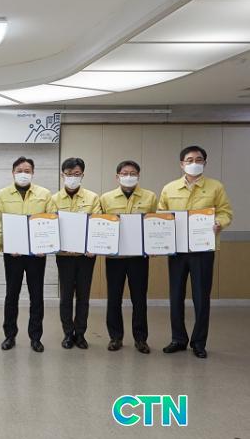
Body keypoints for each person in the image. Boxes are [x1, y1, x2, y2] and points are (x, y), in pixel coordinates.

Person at [158, 145, 232, 358]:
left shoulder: (215, 187)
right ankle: (178, 339)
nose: (194, 163)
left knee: (201, 297)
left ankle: (199, 342)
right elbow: (161, 214)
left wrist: (219, 223)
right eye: (189, 160)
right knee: (176, 296)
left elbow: (226, 212)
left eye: (198, 160)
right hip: (177, 250)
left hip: (203, 250)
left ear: (205, 163)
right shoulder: (169, 188)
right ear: (182, 164)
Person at [0, 157, 51, 353]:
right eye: (19, 170)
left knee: (37, 296)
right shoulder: (2, 194)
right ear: (13, 173)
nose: (23, 174)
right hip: (13, 254)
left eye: (27, 171)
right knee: (12, 295)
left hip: (37, 254)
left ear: (33, 173)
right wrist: (6, 245)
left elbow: (50, 222)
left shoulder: (44, 194)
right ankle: (9, 335)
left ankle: (36, 337)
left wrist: (46, 246)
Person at [100, 160, 156, 354]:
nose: (129, 176)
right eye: (125, 173)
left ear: (138, 176)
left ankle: (141, 339)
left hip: (139, 258)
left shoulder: (150, 197)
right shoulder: (106, 198)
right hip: (114, 258)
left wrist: (155, 244)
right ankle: (115, 337)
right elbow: (99, 225)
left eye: (133, 173)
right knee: (114, 299)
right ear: (117, 177)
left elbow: (156, 225)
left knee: (139, 299)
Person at [48, 157, 101, 350]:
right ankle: (68, 333)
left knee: (83, 296)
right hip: (64, 256)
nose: (72, 177)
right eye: (69, 174)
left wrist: (93, 247)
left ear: (82, 175)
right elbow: (50, 227)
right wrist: (57, 245)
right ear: (62, 175)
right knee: (66, 296)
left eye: (76, 174)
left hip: (86, 256)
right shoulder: (54, 199)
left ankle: (80, 334)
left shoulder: (92, 198)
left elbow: (97, 226)